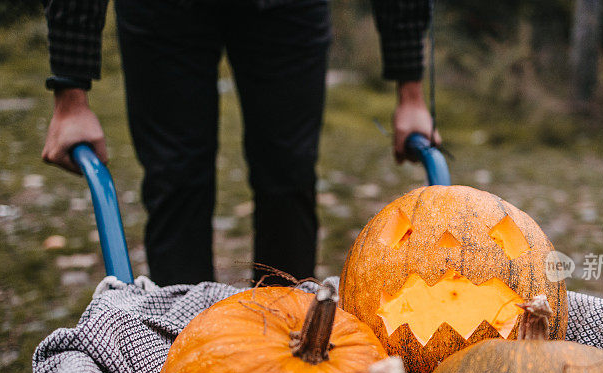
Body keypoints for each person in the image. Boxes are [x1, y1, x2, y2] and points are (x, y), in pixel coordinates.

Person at [41, 0, 441, 286]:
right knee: (174, 181)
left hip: (286, 11)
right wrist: (70, 90)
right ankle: (182, 341)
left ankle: (286, 337)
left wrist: (411, 93)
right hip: (162, 14)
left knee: (289, 178)